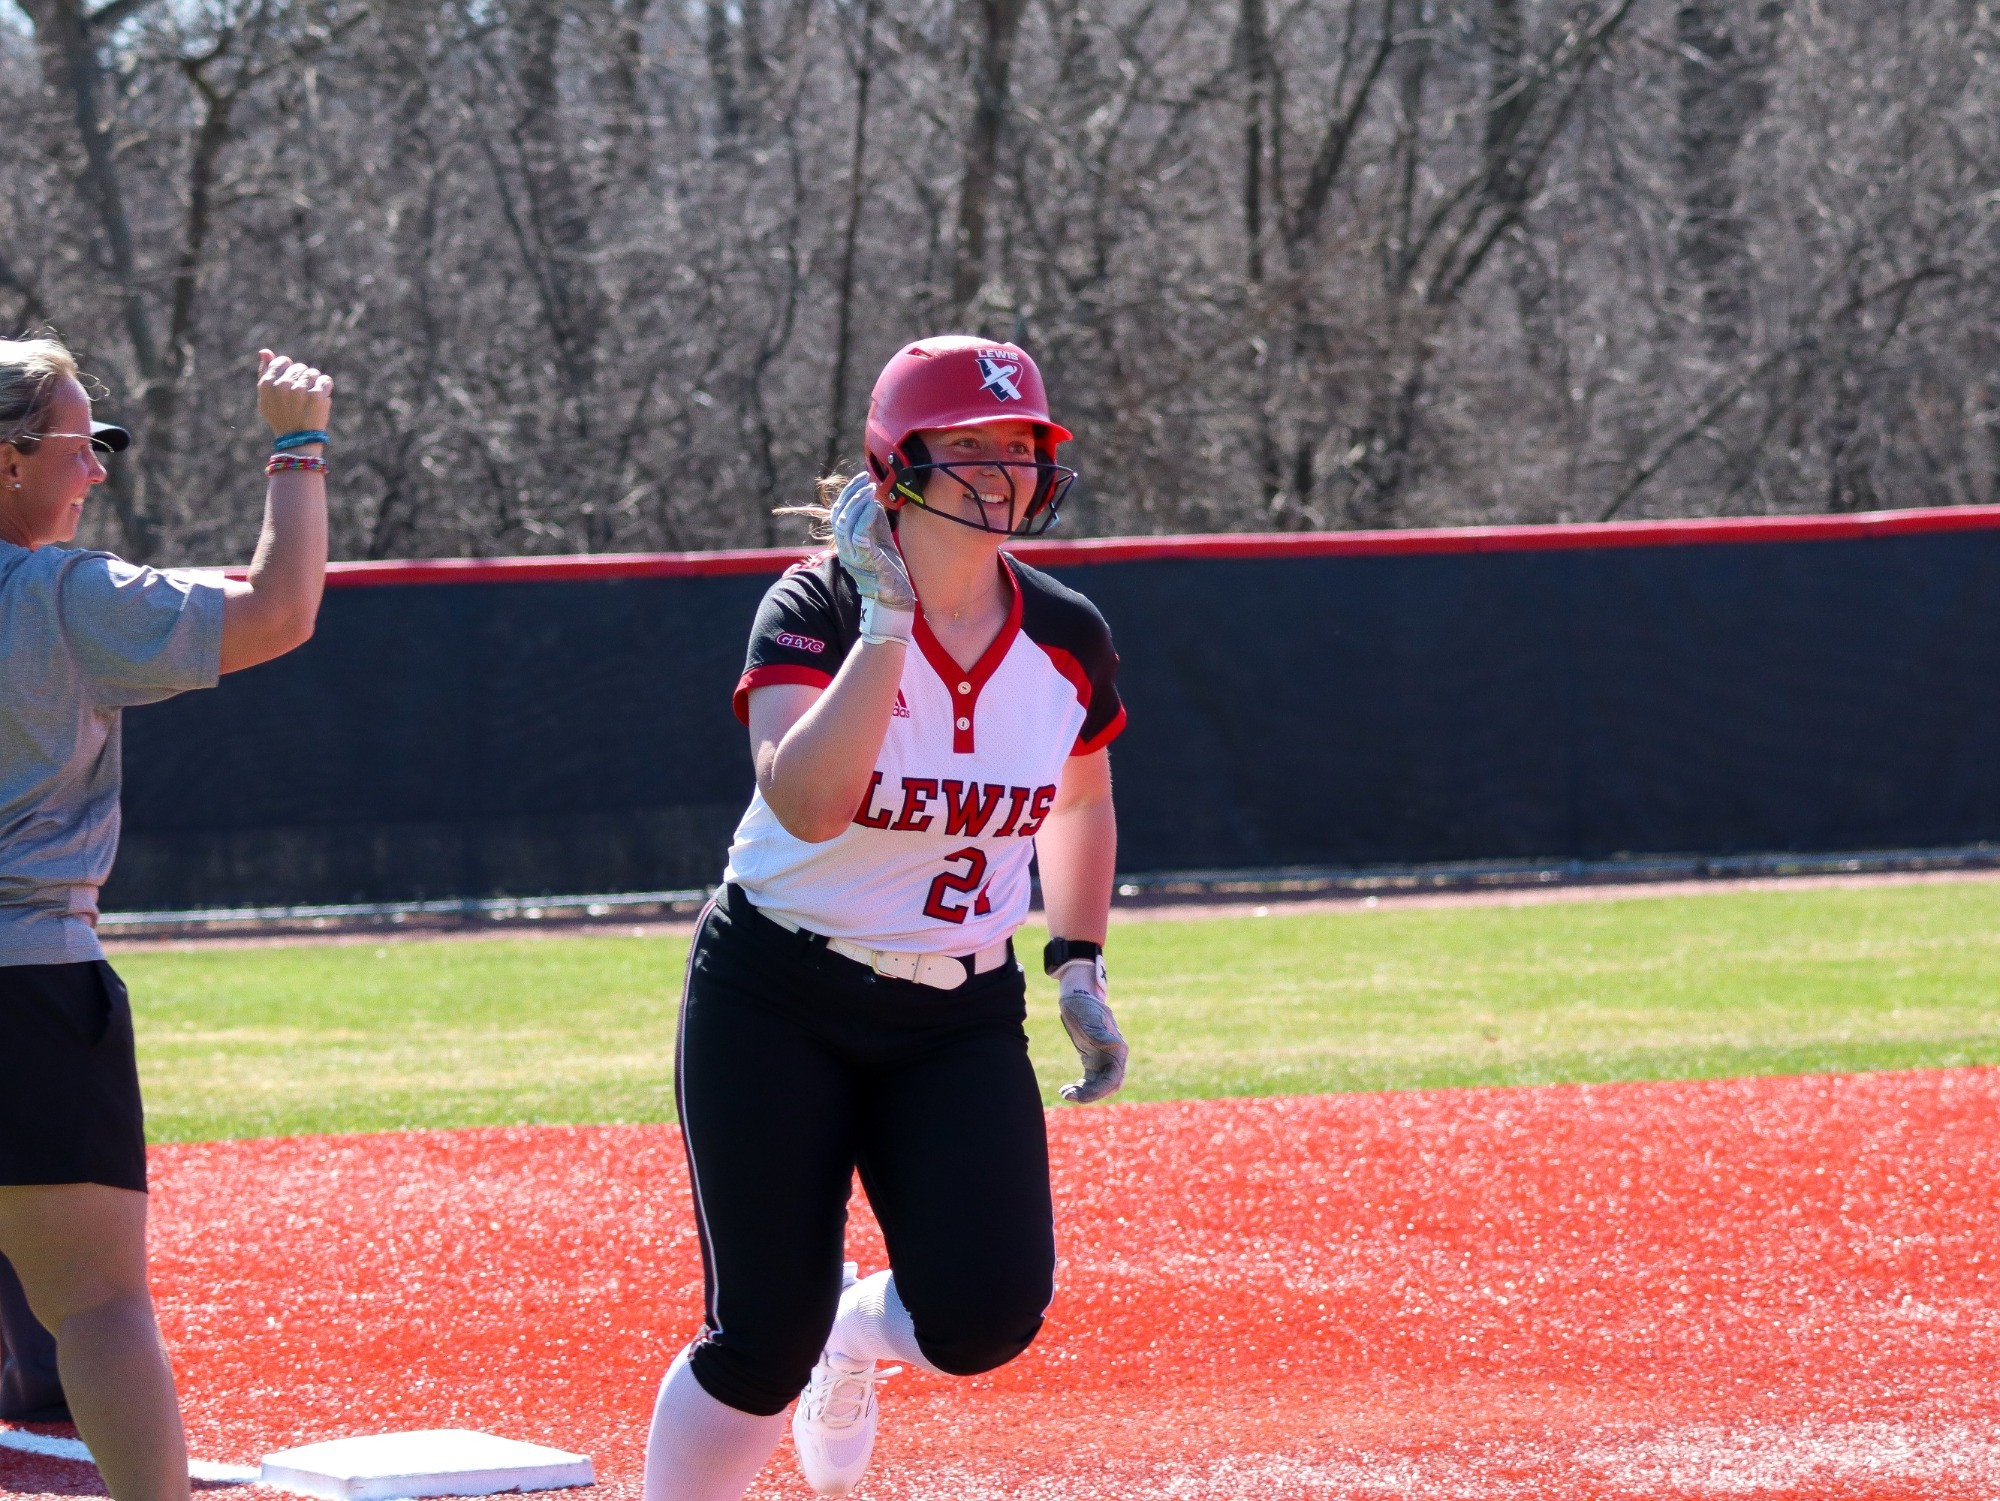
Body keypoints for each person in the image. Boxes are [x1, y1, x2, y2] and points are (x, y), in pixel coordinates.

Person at [642, 335, 1130, 1501]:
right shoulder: (814, 603)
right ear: (895, 461)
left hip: (958, 1008)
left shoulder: (1064, 631)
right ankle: (795, 1357)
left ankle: (854, 1339)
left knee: (985, 1315)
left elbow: (1080, 792)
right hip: (779, 994)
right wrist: (885, 620)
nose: (1002, 473)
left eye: (1020, 447)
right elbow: (804, 804)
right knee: (758, 1337)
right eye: (968, 447)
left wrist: (1076, 961)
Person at [0, 337, 333, 1501]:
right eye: (79, 444)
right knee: (94, 1306)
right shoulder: (58, 596)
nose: (94, 468)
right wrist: (296, 447)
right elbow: (282, 608)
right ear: (5, 462)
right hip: (28, 984)